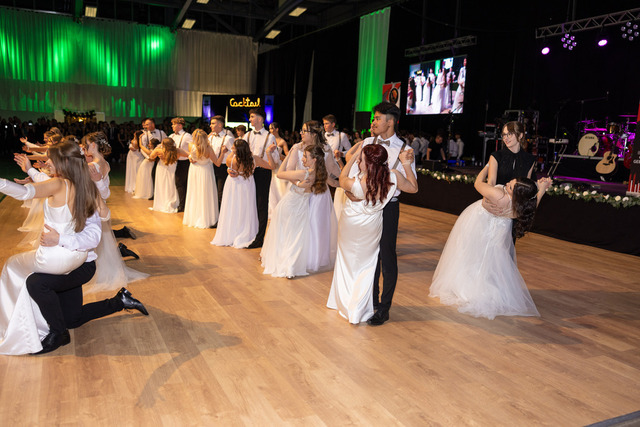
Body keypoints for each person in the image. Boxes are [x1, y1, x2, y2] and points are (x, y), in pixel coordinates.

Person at [0, 141, 148, 355]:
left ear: (64, 163)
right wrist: (30, 170)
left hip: (81, 266)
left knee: (34, 281)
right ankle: (120, 301)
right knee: (72, 318)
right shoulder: (81, 187)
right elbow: (44, 184)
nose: (47, 163)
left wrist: (59, 238)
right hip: (73, 263)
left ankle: (57, 333)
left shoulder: (74, 187)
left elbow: (26, 192)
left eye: (51, 160)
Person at [429, 166, 552, 319]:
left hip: (480, 224)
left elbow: (477, 183)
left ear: (516, 195)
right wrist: (542, 189)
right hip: (499, 232)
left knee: (469, 254)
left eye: (510, 186)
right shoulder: (521, 206)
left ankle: (467, 288)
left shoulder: (498, 195)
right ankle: (487, 287)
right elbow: (533, 204)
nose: (507, 183)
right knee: (491, 260)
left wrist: (487, 168)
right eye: (512, 181)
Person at [343, 102, 417, 326]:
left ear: (390, 122)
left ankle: (384, 308)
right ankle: (371, 301)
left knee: (387, 256)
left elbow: (411, 185)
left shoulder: (404, 149)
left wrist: (405, 165)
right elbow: (352, 174)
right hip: (364, 209)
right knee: (368, 255)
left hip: (388, 208)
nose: (373, 122)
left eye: (377, 118)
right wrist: (350, 192)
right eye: (373, 118)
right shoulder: (366, 142)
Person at [327, 144, 417, 324]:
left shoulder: (358, 183)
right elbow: (413, 188)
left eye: (361, 160)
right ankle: (364, 303)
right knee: (367, 265)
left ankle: (349, 301)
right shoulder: (393, 176)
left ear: (368, 164)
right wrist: (406, 164)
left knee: (349, 262)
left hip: (351, 225)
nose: (358, 162)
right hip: (372, 226)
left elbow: (342, 178)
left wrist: (352, 158)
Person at [261, 144, 327, 278]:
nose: (302, 159)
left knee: (286, 236)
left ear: (314, 159)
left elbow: (280, 174)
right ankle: (291, 267)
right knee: (295, 238)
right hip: (301, 208)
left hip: (291, 206)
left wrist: (289, 155)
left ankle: (287, 266)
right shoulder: (319, 174)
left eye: (305, 156)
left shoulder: (304, 173)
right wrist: (296, 183)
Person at [211, 139, 275, 248]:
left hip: (232, 184)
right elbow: (272, 166)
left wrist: (229, 170)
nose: (232, 148)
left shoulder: (231, 158)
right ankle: (244, 232)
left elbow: (229, 167)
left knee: (232, 209)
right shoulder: (254, 159)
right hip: (246, 185)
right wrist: (268, 153)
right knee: (245, 209)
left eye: (233, 147)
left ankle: (231, 233)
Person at [242, 108, 279, 249]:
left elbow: (275, 160)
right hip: (247, 173)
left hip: (263, 173)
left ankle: (259, 238)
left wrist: (266, 156)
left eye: (252, 116)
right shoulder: (247, 135)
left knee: (261, 205)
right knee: (249, 203)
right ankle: (248, 233)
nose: (250, 119)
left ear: (260, 119)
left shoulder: (270, 137)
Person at [183, 129, 219, 229]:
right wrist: (223, 153)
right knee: (206, 194)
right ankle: (208, 218)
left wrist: (190, 157)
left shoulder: (191, 146)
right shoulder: (209, 149)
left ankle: (193, 218)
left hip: (194, 171)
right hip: (206, 172)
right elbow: (217, 163)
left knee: (194, 193)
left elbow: (191, 156)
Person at [488, 121, 536, 186]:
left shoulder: (529, 159)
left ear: (520, 135)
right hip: (497, 192)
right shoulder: (496, 156)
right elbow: (491, 184)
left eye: (509, 134)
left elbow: (527, 186)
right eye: (504, 134)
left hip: (519, 193)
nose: (506, 138)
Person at [149, 138, 185, 213]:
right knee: (171, 185)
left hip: (161, 169)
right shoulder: (177, 151)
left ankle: (161, 202)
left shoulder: (159, 150)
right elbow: (189, 155)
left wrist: (156, 149)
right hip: (172, 169)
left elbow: (151, 157)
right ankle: (173, 202)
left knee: (162, 185)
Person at [209, 116, 234, 210]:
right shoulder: (210, 138)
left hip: (223, 168)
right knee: (212, 191)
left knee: (221, 192)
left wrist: (227, 152)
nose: (210, 125)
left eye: (213, 123)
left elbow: (233, 154)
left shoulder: (228, 139)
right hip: (210, 166)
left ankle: (221, 214)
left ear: (220, 125)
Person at [168, 118, 193, 212]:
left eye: (174, 124)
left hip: (184, 163)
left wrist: (185, 154)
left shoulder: (187, 136)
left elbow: (193, 149)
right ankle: (178, 202)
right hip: (173, 162)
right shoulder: (171, 136)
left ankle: (182, 205)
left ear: (180, 125)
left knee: (181, 184)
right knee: (176, 183)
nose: (172, 126)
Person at [267, 122, 290, 218]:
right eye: (269, 129)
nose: (270, 130)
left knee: (279, 187)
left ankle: (280, 209)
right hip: (269, 165)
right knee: (270, 187)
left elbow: (288, 156)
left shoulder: (282, 141)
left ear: (277, 129)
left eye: (272, 128)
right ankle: (271, 210)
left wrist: (280, 156)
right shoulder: (268, 139)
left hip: (278, 166)